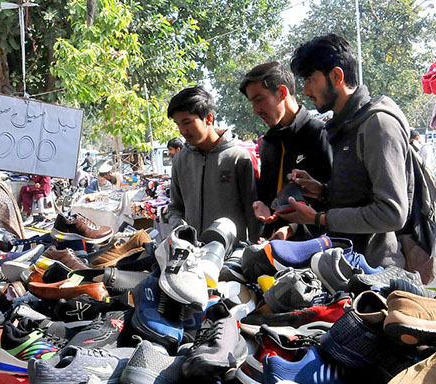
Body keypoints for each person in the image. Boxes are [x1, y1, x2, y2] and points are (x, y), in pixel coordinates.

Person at [284, 34, 412, 268]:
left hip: (375, 272)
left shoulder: (378, 124)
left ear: (336, 76)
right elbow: (362, 194)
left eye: (311, 80)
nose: (305, 91)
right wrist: (323, 192)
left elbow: (391, 213)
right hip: (347, 266)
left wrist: (319, 218)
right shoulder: (348, 125)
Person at [240, 61, 332, 240]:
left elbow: (334, 201)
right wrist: (263, 206)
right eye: (252, 102)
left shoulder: (320, 134)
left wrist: (291, 229)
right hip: (273, 246)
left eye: (259, 99)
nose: (255, 110)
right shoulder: (267, 143)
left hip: (315, 250)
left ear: (282, 92)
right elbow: (269, 198)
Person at [165, 86, 258, 241]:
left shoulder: (238, 158)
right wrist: (181, 229)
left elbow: (252, 212)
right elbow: (175, 207)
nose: (182, 130)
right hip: (192, 255)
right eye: (178, 124)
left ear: (208, 119)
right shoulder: (180, 160)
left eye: (187, 122)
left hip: (230, 256)